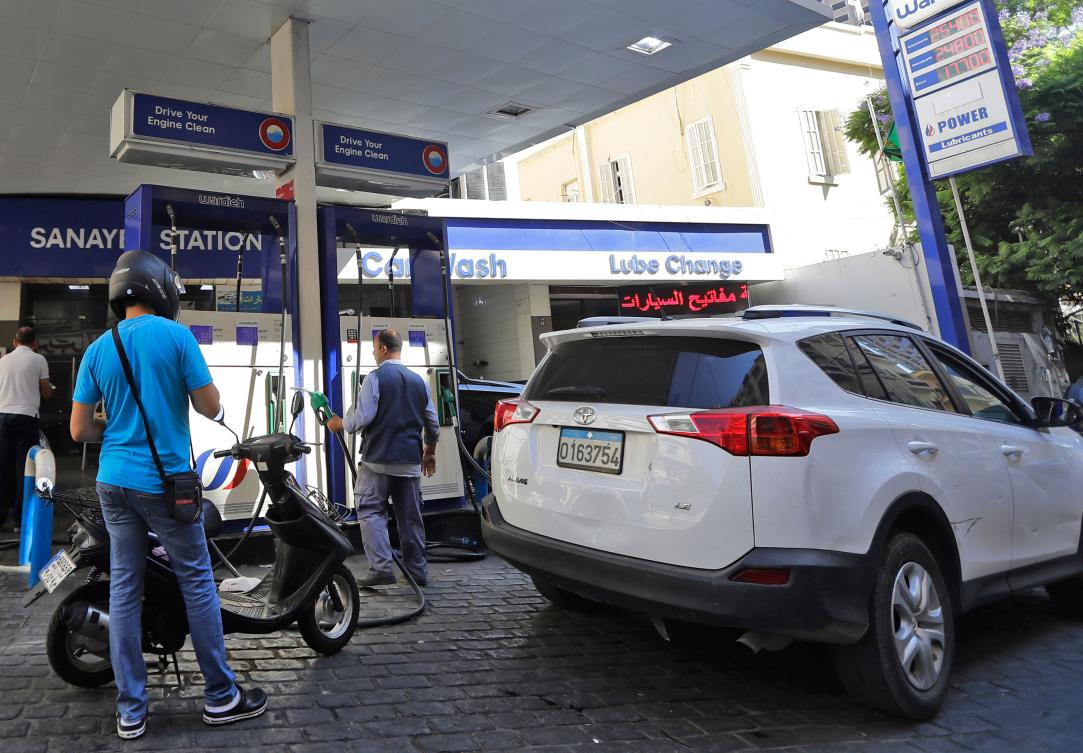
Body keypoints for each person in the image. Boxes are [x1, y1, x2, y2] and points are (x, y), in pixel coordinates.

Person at [70, 250, 266, 740]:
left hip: (113, 482)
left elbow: (77, 429)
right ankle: (221, 698)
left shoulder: (99, 347)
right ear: (159, 289)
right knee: (198, 582)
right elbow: (210, 406)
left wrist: (114, 420)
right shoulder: (177, 337)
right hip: (165, 483)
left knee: (124, 588)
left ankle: (132, 711)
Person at [326, 328, 439, 587]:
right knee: (411, 518)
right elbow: (432, 422)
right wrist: (429, 452)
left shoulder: (375, 379)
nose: (374, 353)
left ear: (384, 349)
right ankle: (417, 572)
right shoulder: (419, 381)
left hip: (377, 461)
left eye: (375, 348)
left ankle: (381, 569)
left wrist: (340, 423)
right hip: (410, 463)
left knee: (370, 510)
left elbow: (362, 417)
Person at [0, 326, 53, 531]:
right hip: (26, 418)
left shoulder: (3, 360)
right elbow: (46, 392)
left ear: (15, 343)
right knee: (24, 469)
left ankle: (1, 518)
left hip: (2, 417)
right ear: (35, 343)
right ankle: (20, 520)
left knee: (3, 468)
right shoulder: (38, 359)